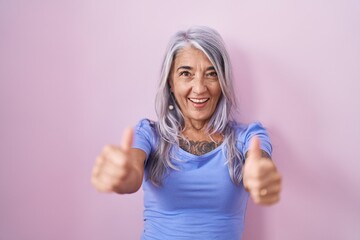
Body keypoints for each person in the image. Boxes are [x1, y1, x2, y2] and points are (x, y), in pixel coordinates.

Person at [91, 26, 282, 240]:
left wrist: (260, 173)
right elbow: (132, 175)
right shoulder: (148, 134)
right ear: (171, 82)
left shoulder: (248, 137)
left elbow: (259, 163)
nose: (199, 88)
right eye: (186, 74)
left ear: (223, 82)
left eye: (211, 74)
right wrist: (122, 176)